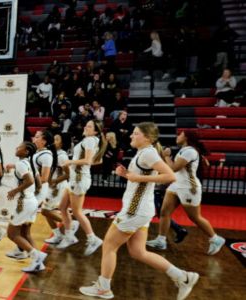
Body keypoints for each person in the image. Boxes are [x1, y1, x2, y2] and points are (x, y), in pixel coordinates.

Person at [79, 122, 199, 300]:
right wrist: (126, 174)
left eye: (135, 134)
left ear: (147, 138)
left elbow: (170, 176)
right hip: (142, 210)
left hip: (135, 210)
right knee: (138, 252)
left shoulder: (149, 153)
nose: (131, 136)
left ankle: (103, 288)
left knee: (109, 246)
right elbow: (142, 179)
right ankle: (183, 277)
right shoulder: (144, 153)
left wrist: (136, 177)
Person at [146, 130, 225, 254]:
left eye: (180, 134)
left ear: (186, 137)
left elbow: (173, 168)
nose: (177, 136)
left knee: (195, 217)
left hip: (189, 187)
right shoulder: (184, 150)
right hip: (176, 185)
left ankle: (215, 239)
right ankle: (161, 240)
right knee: (164, 212)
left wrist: (166, 156)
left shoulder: (190, 151)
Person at [57, 120, 106, 255]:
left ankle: (92, 238)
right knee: (62, 207)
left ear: (95, 131)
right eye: (86, 124)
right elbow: (98, 160)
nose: (85, 126)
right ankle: (69, 236)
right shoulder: (93, 140)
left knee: (77, 212)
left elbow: (88, 160)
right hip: (75, 178)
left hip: (79, 179)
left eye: (89, 126)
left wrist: (70, 161)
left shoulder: (90, 140)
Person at [5, 142, 47, 272]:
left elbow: (30, 181)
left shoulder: (21, 164)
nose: (16, 148)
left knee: (12, 234)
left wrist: (15, 191)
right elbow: (39, 185)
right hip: (31, 201)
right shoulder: (30, 164)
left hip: (23, 203)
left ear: (27, 151)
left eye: (19, 147)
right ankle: (38, 262)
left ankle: (37, 255)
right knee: (25, 233)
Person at [42, 132, 79, 244]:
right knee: (47, 210)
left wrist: (55, 181)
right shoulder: (53, 153)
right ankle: (58, 235)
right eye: (54, 139)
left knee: (45, 210)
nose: (53, 141)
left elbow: (68, 174)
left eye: (57, 139)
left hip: (57, 186)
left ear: (62, 143)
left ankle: (70, 224)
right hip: (52, 185)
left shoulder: (62, 156)